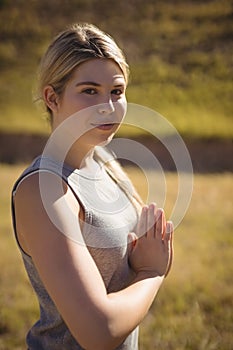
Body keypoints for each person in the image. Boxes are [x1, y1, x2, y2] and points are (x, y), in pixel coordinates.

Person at [11, 23, 174, 350]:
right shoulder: (43, 190)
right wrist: (152, 273)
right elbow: (99, 332)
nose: (108, 106)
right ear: (52, 97)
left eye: (116, 91)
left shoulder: (105, 163)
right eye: (89, 91)